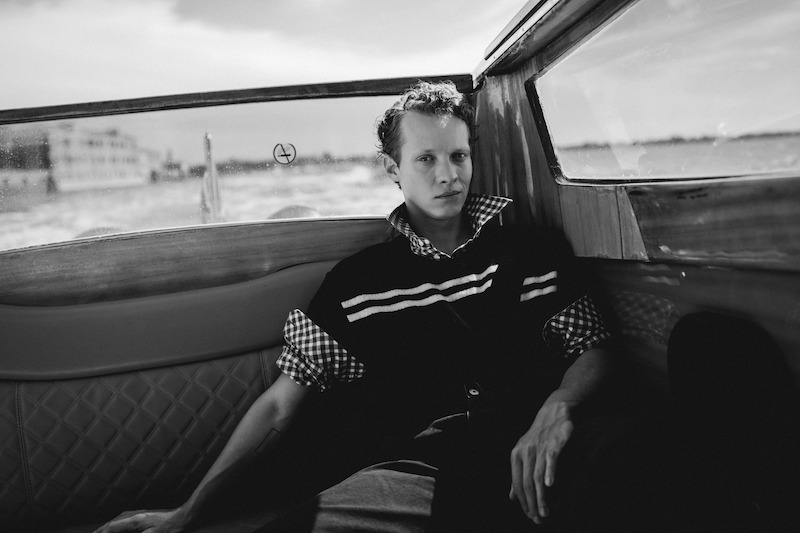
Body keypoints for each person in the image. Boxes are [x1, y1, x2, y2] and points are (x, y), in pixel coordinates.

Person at [95, 81, 613, 533]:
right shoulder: (357, 286)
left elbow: (592, 348)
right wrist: (188, 511)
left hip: (542, 448)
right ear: (393, 168)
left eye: (458, 156)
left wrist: (559, 407)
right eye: (426, 159)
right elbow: (281, 404)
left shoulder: (533, 252)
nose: (448, 175)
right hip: (419, 474)